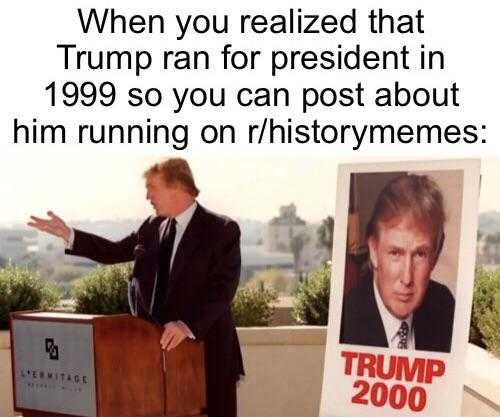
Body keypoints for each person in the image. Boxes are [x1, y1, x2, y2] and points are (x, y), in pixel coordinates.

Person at [29, 158, 244, 417]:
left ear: (177, 186)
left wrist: (185, 325)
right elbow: (114, 251)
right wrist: (69, 234)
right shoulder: (153, 226)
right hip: (156, 358)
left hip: (208, 353)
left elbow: (223, 289)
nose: (147, 196)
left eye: (152, 187)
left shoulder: (221, 229)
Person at [340, 174, 455, 353]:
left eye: (420, 254)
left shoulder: (445, 307)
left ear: (435, 256)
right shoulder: (344, 323)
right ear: (374, 251)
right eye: (395, 253)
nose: (407, 278)